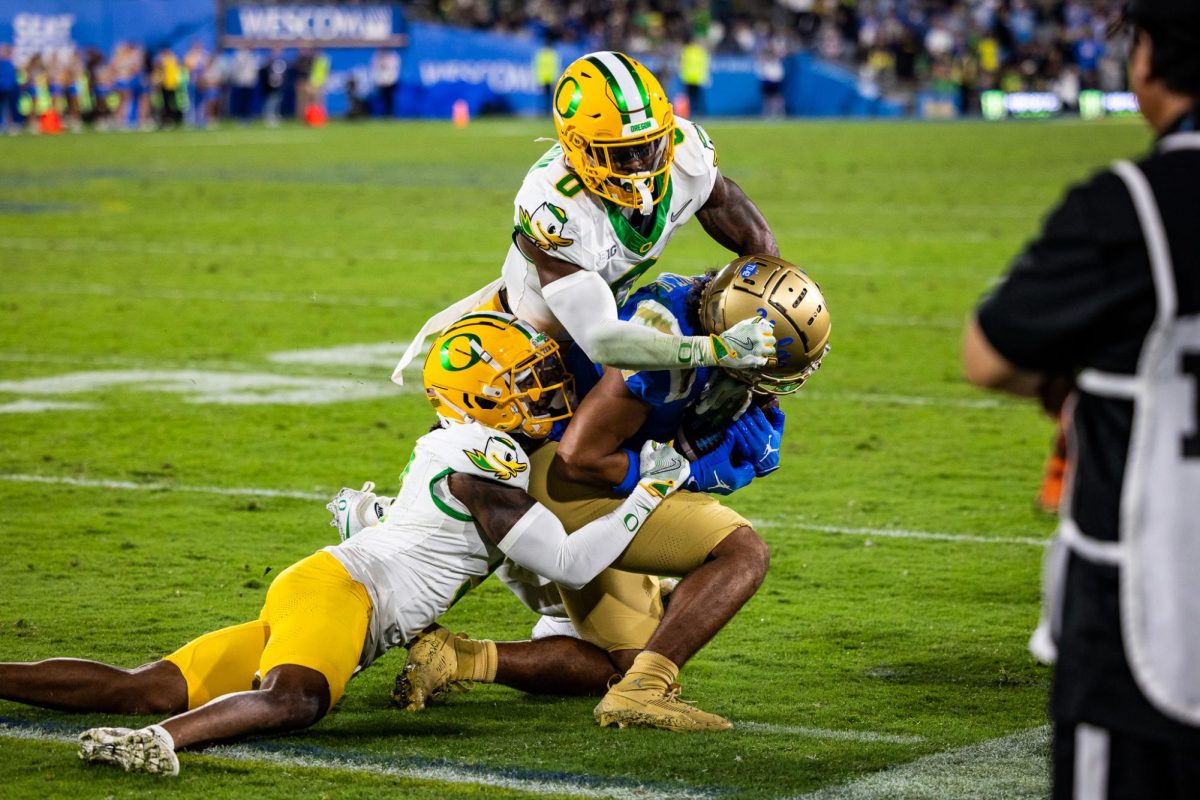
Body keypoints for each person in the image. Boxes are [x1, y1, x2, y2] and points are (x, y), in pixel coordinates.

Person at [0, 312, 688, 776]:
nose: (543, 391)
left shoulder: (467, 448)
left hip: (331, 589)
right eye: (525, 383)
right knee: (296, 700)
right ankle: (160, 744)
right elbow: (568, 561)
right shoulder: (485, 473)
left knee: (146, 686)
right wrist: (652, 491)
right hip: (344, 594)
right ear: (482, 399)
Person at [397, 256, 832, 732]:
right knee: (741, 552)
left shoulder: (711, 311)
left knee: (626, 658)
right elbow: (580, 458)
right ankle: (646, 692)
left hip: (563, 469)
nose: (772, 383)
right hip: (556, 472)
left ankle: (454, 657)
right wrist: (687, 467)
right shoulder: (664, 348)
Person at [962, 1, 1200, 796]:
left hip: (1148, 612)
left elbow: (988, 355)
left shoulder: (1135, 203)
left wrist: (1070, 381)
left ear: (1148, 62)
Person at [393, 51, 778, 386]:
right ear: (579, 149)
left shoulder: (686, 150)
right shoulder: (554, 206)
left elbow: (749, 234)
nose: (642, 163)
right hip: (526, 345)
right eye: (623, 154)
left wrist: (773, 309)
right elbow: (600, 340)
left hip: (611, 316)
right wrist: (717, 349)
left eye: (649, 144)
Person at [370, 48, 401, 118]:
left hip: (390, 81)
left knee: (390, 99)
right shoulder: (377, 56)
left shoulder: (393, 56)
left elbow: (394, 69)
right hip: (381, 81)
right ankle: (383, 113)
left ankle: (390, 114)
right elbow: (375, 68)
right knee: (382, 99)